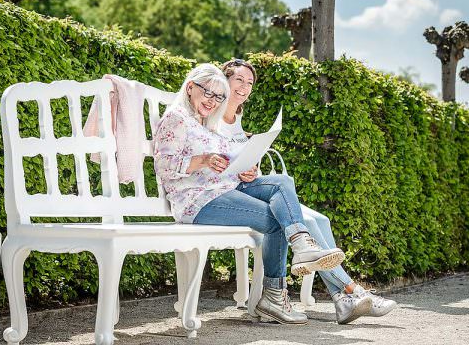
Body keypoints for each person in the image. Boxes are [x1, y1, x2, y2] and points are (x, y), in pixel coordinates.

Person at [153, 63, 345, 325]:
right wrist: (203, 160)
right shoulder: (177, 118)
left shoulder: (208, 123)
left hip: (225, 189)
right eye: (207, 93)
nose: (213, 101)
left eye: (219, 97)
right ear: (190, 88)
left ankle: (301, 247)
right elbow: (163, 166)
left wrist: (243, 170)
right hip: (197, 201)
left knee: (281, 182)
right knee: (278, 218)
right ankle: (275, 296)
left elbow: (225, 164)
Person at [219, 59, 397, 324]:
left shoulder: (237, 119)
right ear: (224, 81)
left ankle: (343, 299)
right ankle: (349, 291)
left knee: (319, 220)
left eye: (249, 82)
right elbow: (215, 163)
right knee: (293, 202)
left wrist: (251, 167)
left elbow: (240, 159)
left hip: (251, 187)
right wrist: (239, 171)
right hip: (234, 194)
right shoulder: (213, 115)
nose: (244, 87)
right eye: (239, 80)